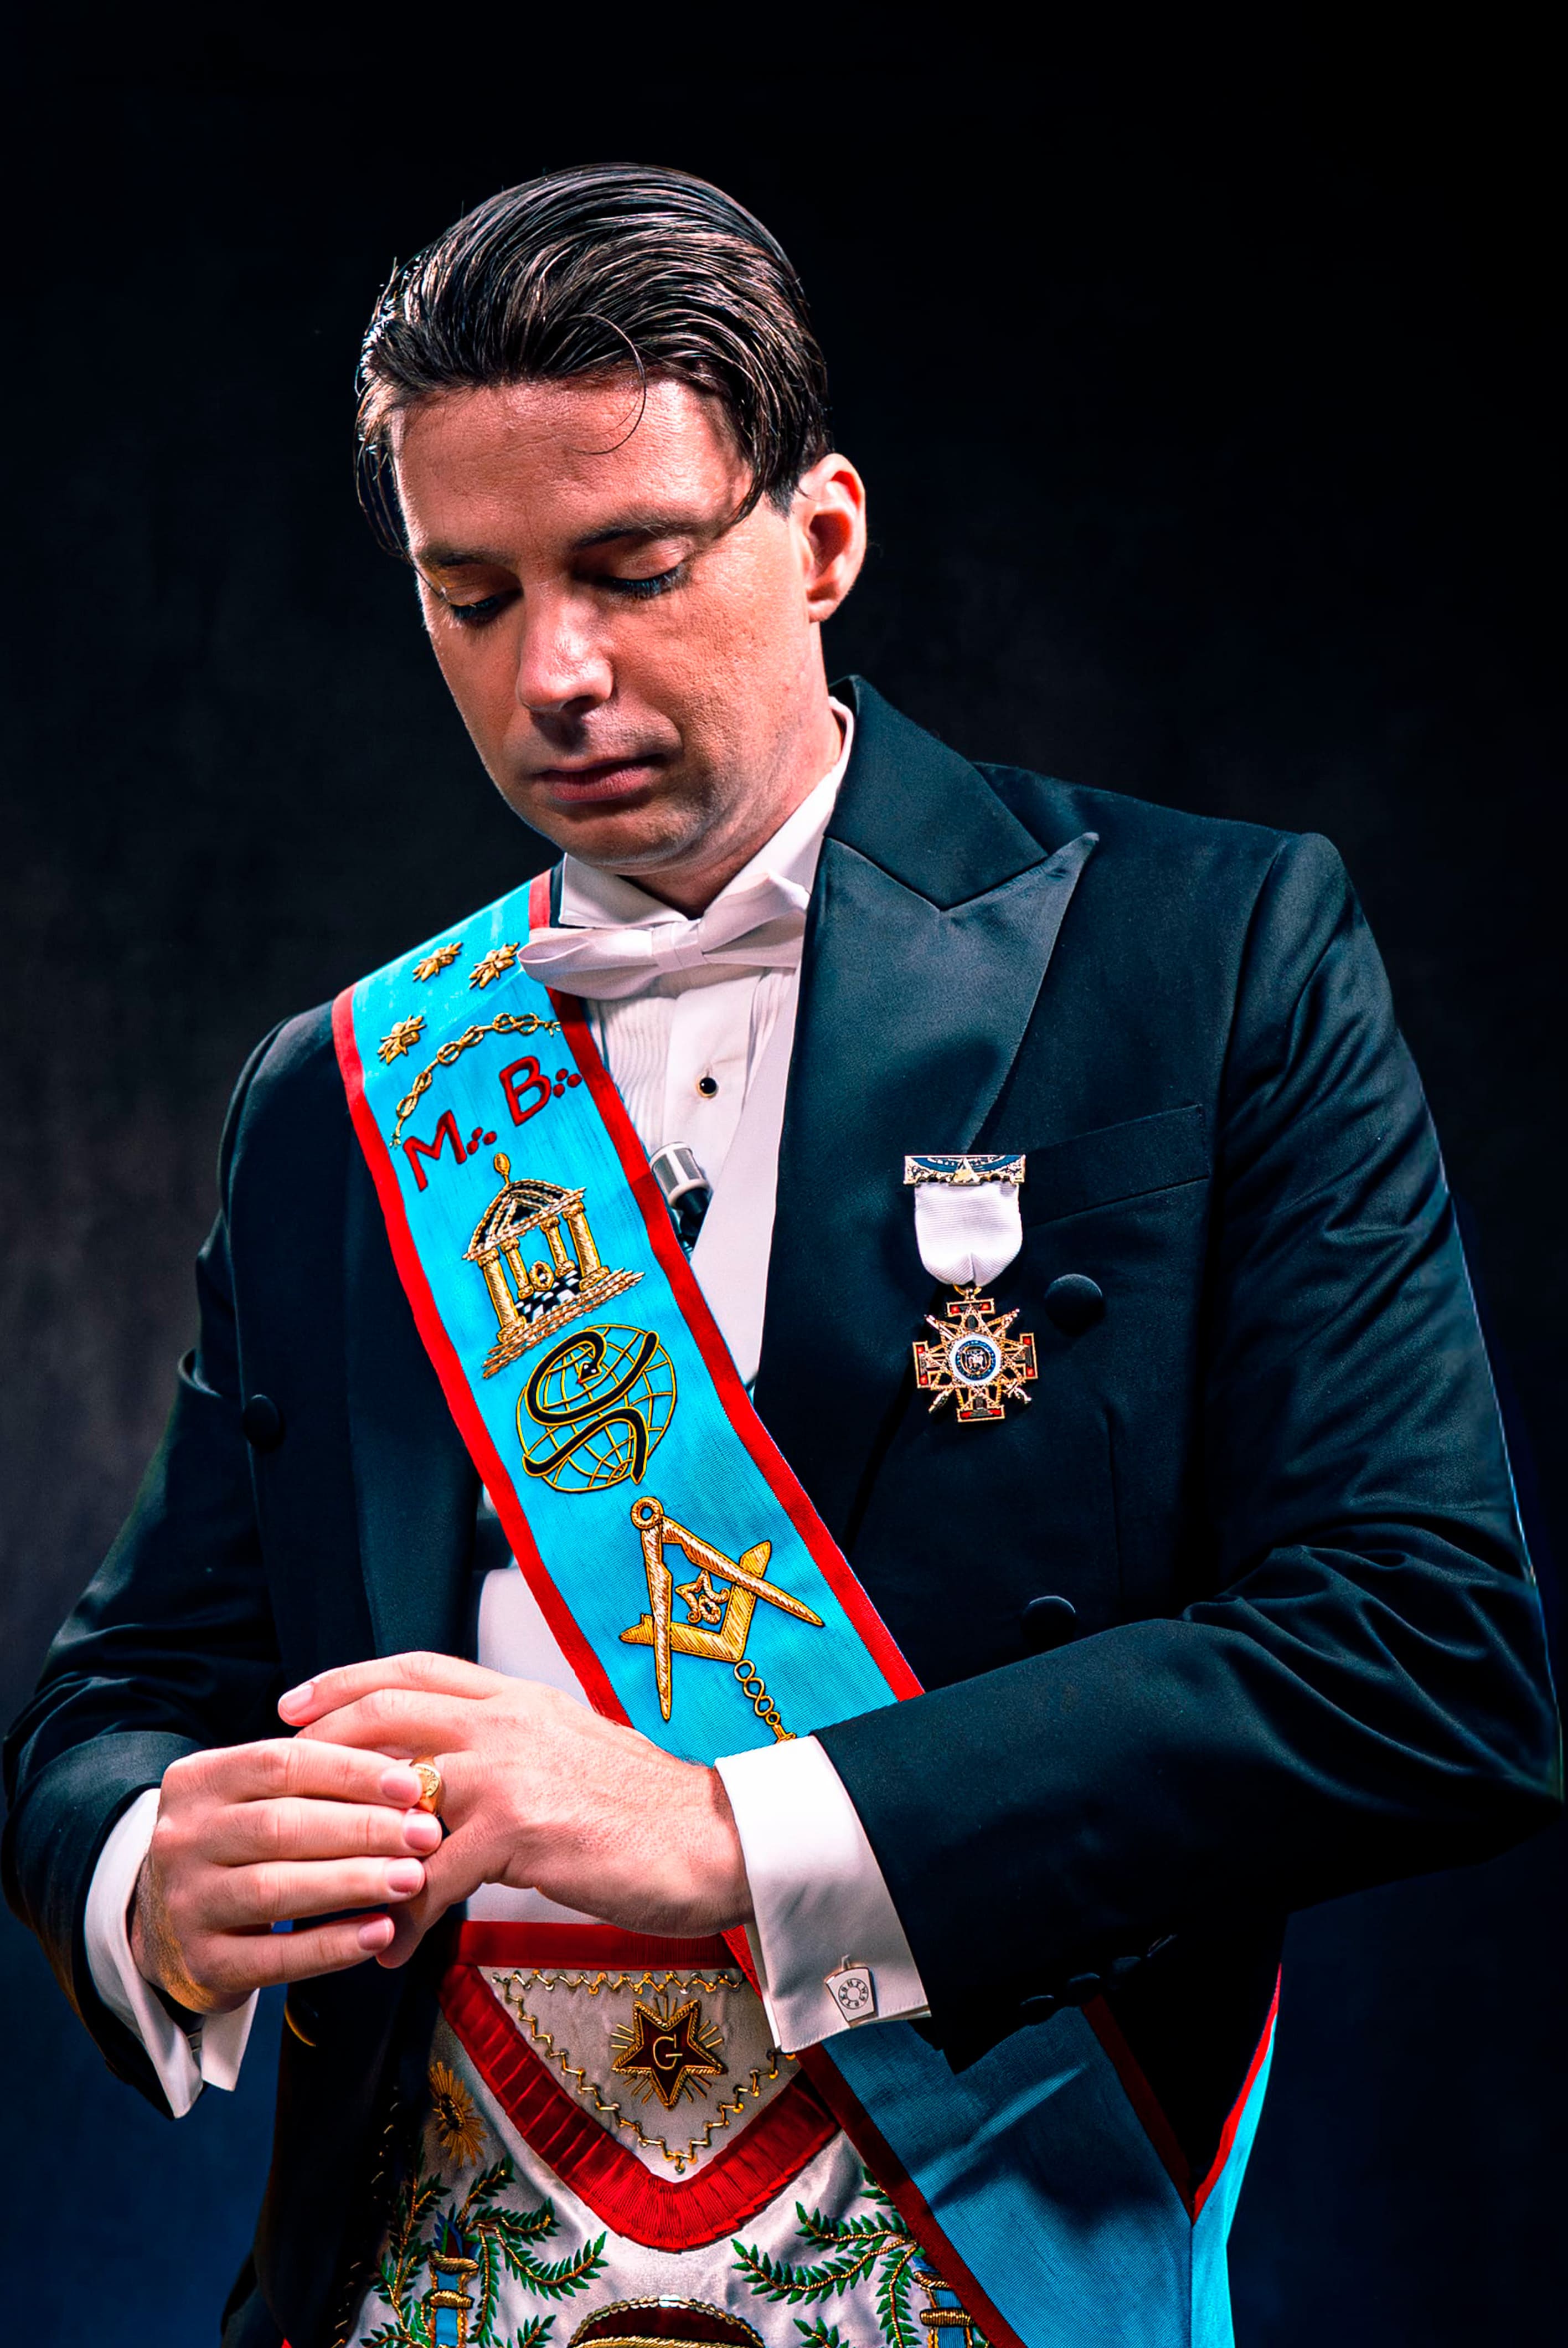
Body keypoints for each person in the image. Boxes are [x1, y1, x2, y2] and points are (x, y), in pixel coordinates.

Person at [4, 164, 1559, 2348]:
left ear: (821, 533)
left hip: (993, 2228)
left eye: (631, 568)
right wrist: (148, 1865)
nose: (555, 673)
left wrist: (734, 1829)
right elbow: (116, 1696)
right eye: (472, 594)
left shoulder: (1210, 957)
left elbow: (1426, 1662)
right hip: (428, 2267)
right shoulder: (335, 1094)